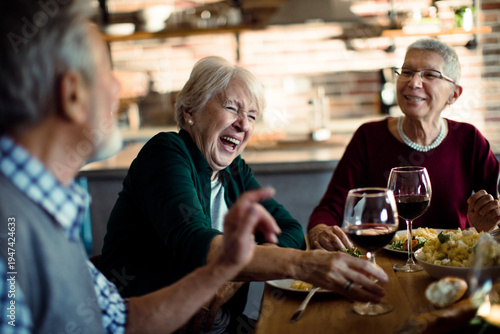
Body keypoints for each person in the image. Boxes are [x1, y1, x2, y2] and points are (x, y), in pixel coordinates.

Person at [0, 1, 282, 333]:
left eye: (251, 115)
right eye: (106, 73)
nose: (117, 87)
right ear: (72, 93)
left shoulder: (46, 210)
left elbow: (119, 321)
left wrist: (223, 270)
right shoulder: (10, 231)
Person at [99, 56, 389, 333]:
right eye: (232, 108)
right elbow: (195, 243)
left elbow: (288, 229)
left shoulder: (233, 171)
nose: (243, 124)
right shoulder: (166, 153)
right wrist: (306, 264)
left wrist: (233, 277)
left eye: (251, 116)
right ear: (190, 111)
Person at [308, 38, 500, 252]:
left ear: (453, 94)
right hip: (382, 263)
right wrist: (320, 229)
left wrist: (489, 226)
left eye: (430, 75)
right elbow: (331, 206)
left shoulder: (469, 139)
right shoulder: (369, 136)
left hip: (452, 263)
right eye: (407, 72)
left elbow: (497, 204)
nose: (414, 82)